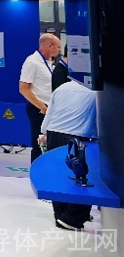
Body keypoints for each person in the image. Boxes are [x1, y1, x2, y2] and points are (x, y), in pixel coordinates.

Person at [39, 79, 97, 231]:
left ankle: (61, 214)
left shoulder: (62, 88)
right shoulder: (95, 91)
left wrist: (44, 132)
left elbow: (50, 113)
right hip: (79, 137)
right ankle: (72, 217)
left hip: (54, 133)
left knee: (59, 177)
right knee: (84, 178)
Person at [19, 33, 62, 162]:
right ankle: (36, 170)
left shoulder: (49, 63)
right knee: (39, 144)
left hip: (50, 109)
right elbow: (24, 88)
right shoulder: (32, 62)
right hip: (39, 109)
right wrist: (41, 106)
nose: (59, 50)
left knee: (50, 144)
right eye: (58, 47)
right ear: (49, 46)